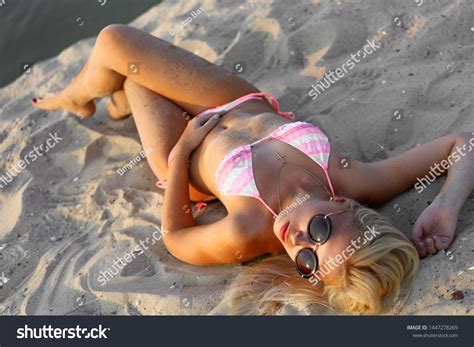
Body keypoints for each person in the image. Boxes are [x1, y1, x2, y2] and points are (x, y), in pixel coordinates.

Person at [32, 24, 474, 315]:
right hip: (233, 100)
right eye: (319, 232)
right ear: (343, 204)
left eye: (306, 262)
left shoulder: (249, 229)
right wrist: (448, 206)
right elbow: (461, 144)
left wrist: (181, 152)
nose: (297, 242)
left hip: (181, 154)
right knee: (114, 42)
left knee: (132, 76)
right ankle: (90, 95)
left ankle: (89, 97)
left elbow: (178, 239)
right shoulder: (351, 177)